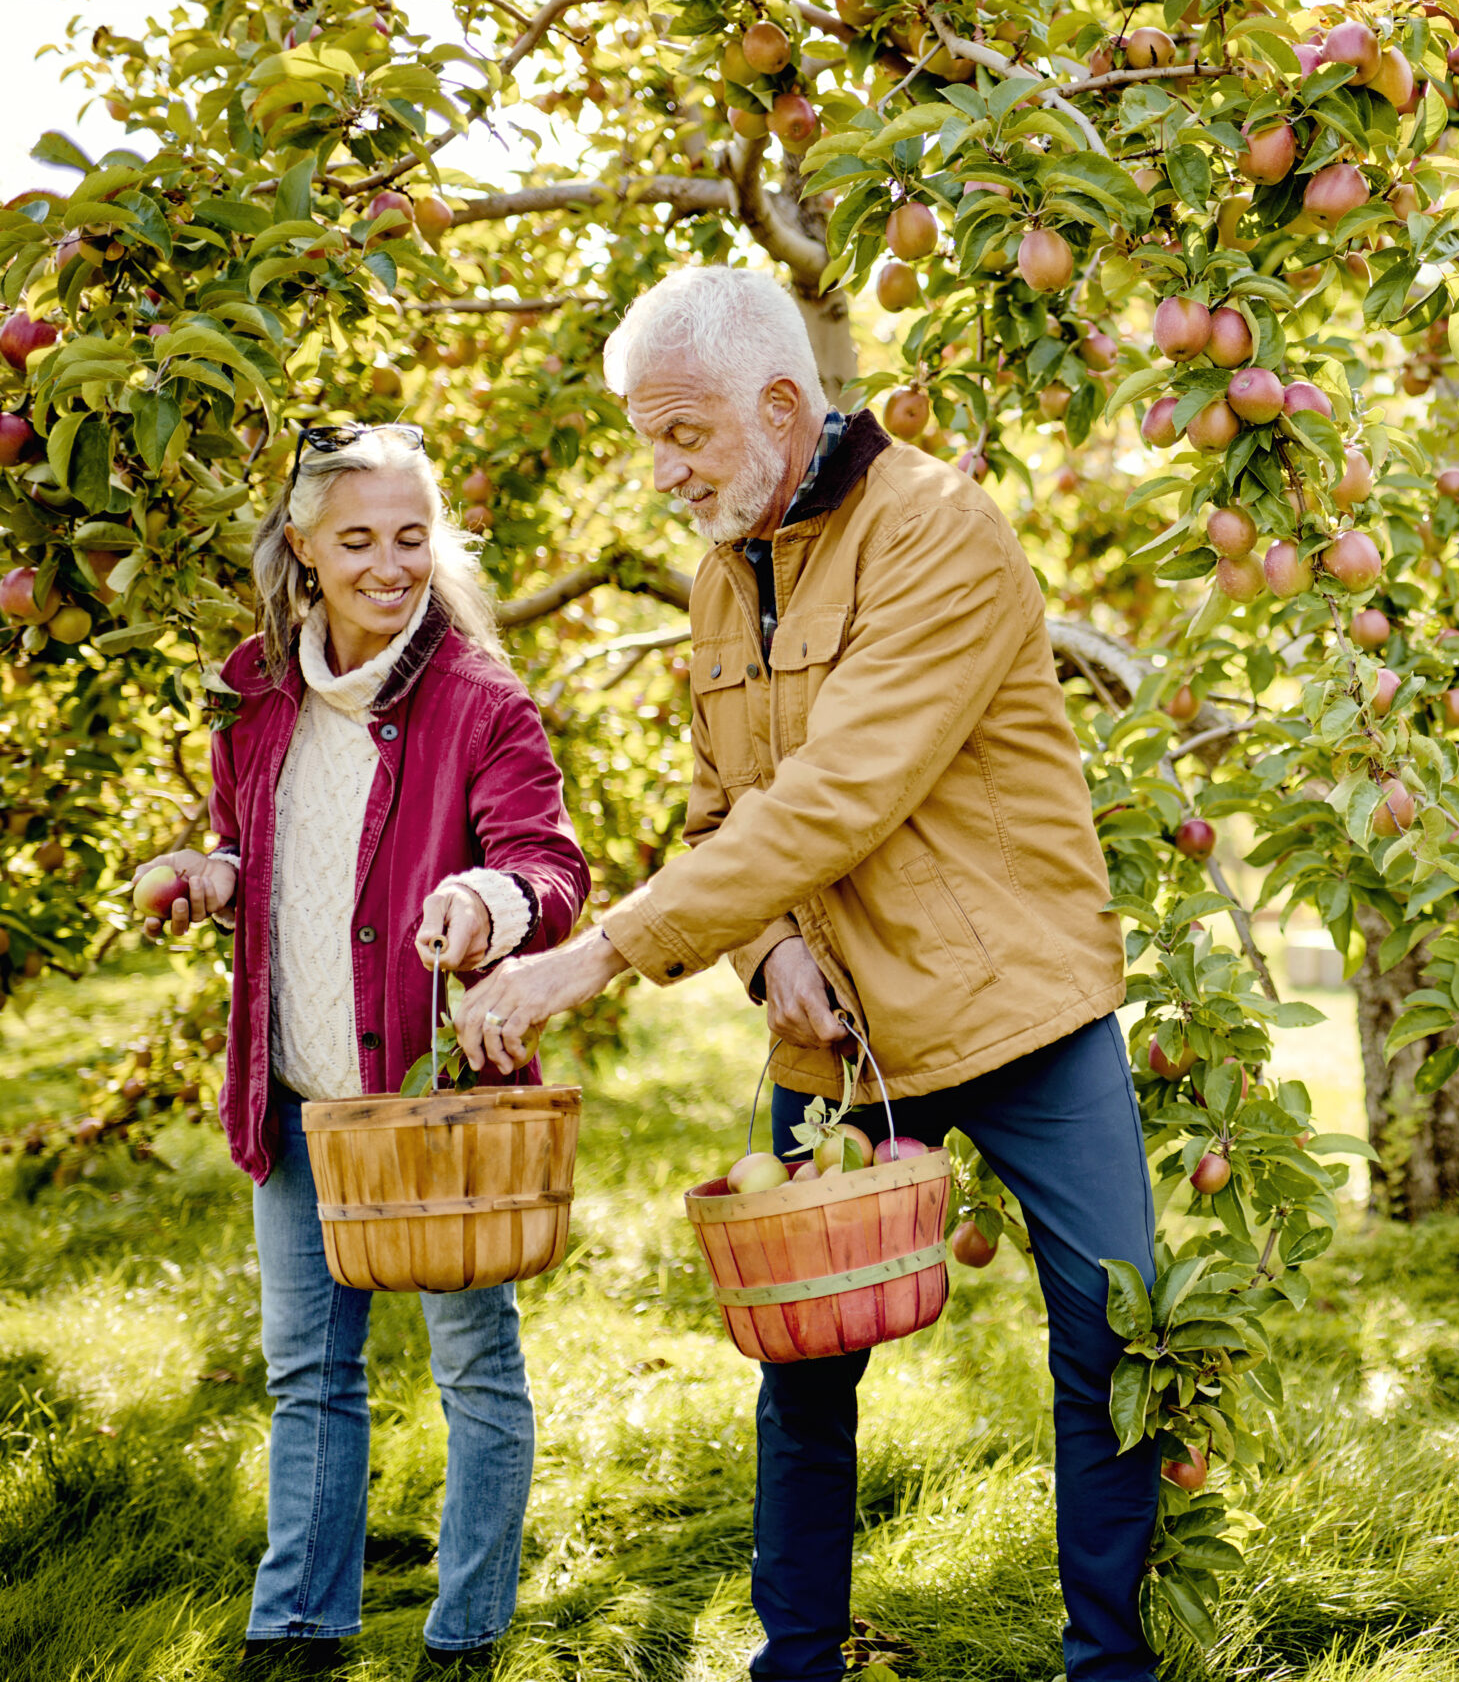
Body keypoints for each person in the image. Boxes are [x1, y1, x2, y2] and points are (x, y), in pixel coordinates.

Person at [450, 266, 1158, 1682]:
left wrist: (596, 956)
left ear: (781, 405)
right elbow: (724, 816)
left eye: (685, 435)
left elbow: (841, 793)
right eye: (650, 442)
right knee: (803, 1358)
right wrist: (768, 945)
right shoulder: (726, 575)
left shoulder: (938, 530)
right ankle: (798, 1660)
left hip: (1015, 1007)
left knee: (1115, 1339)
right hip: (838, 1041)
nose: (664, 473)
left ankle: (1110, 1665)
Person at [138, 423, 590, 1680]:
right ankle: (299, 1630)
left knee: (473, 1366)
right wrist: (211, 873)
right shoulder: (254, 689)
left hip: (430, 1099)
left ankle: (466, 1636)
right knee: (309, 1373)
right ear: (303, 547)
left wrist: (489, 899)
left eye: (410, 536)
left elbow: (550, 865)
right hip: (297, 1088)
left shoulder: (480, 699)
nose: (389, 566)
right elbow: (254, 844)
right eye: (358, 541)